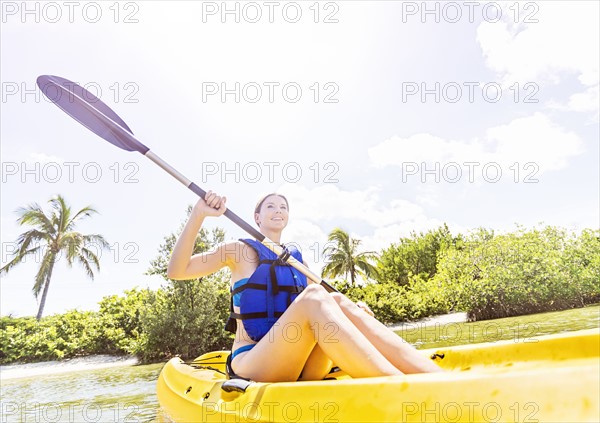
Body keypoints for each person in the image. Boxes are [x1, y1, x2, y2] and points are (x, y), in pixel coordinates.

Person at [167, 191, 443, 382]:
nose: (278, 210)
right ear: (257, 217)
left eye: (284, 207)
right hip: (254, 362)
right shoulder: (237, 251)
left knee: (337, 302)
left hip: (302, 364)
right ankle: (398, 386)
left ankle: (433, 378)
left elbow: (329, 305)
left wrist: (354, 309)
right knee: (314, 296)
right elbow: (177, 271)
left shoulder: (296, 261)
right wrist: (199, 215)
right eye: (271, 206)